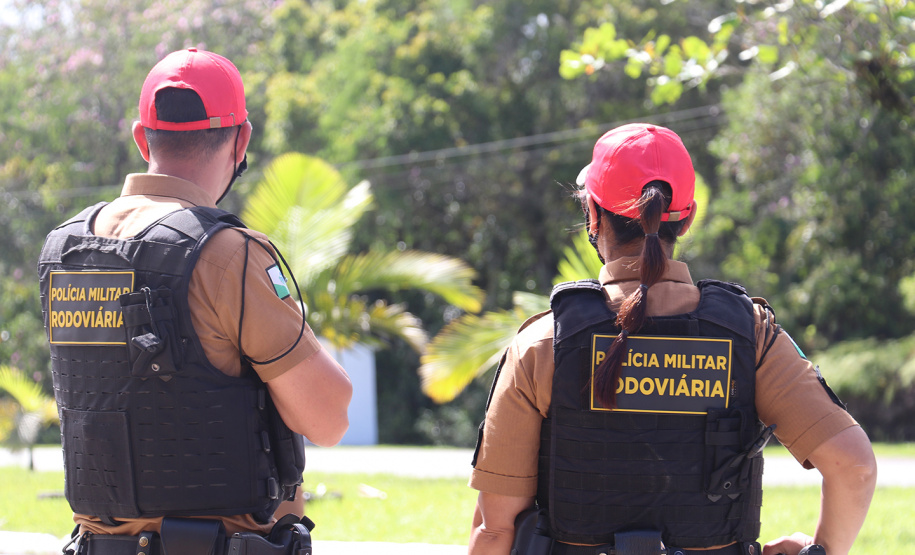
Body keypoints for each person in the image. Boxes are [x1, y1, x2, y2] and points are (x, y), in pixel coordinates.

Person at [467, 123, 876, 555]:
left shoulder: (544, 343)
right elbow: (854, 467)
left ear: (593, 214)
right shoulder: (750, 336)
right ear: (688, 219)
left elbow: (496, 530)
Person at [38, 48, 353, 554]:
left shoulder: (64, 248)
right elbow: (328, 418)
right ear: (242, 138)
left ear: (142, 138)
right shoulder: (229, 254)